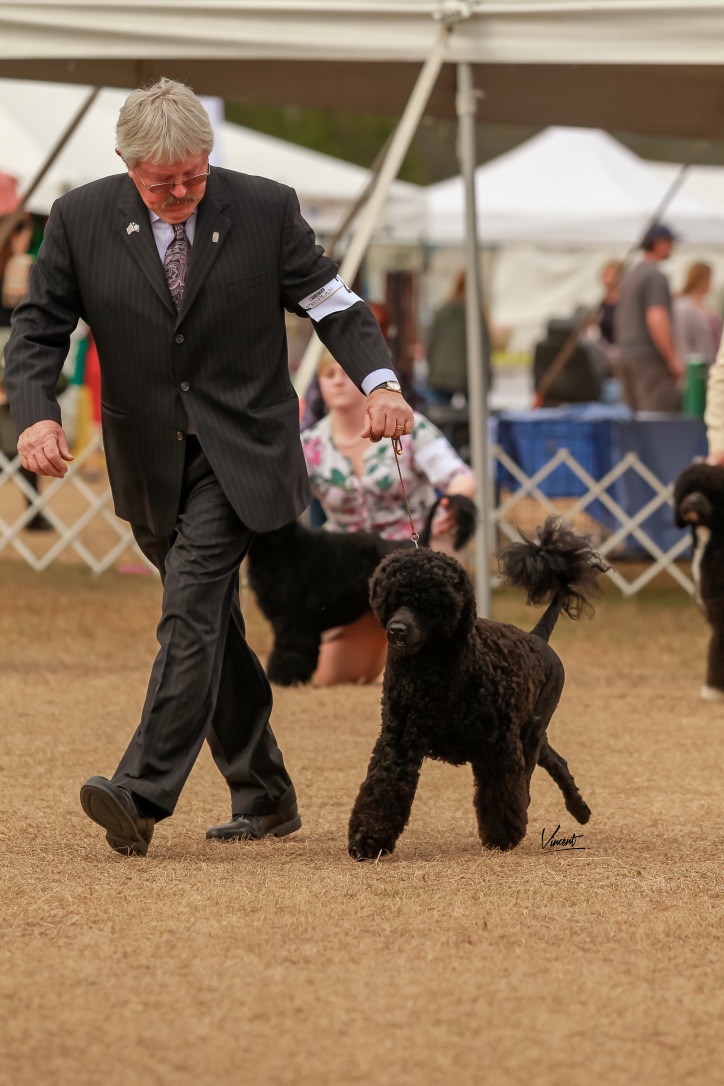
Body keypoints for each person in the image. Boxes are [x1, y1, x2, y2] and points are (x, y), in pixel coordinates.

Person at [3, 78, 414, 857]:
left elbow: (333, 302)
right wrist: (37, 414)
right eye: (164, 183)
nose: (183, 192)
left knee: (189, 608)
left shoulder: (264, 206)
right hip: (148, 458)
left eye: (195, 174)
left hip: (245, 450)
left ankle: (139, 792)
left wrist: (381, 382)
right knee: (212, 629)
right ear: (126, 164)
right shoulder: (79, 218)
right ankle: (265, 793)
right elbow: (38, 329)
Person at [300, 353, 476, 685]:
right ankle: (376, 641)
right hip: (347, 570)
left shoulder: (412, 428)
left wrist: (456, 502)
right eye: (328, 374)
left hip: (414, 554)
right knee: (327, 677)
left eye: (345, 371)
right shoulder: (309, 444)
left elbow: (460, 476)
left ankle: (422, 646)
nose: (337, 380)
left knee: (405, 676)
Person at [613, 223, 684, 412]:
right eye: (670, 243)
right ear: (658, 243)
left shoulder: (629, 276)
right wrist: (672, 358)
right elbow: (656, 316)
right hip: (649, 358)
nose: (672, 248)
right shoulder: (655, 276)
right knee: (657, 417)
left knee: (633, 419)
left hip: (626, 355)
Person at [423, 270, 492, 405]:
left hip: (441, 375)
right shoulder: (476, 314)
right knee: (473, 417)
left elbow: (430, 342)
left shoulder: (442, 311)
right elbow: (485, 347)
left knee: (440, 416)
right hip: (469, 376)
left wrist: (433, 367)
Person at [673, 261, 722, 366]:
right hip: (694, 368)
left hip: (711, 363)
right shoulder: (682, 307)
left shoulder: (707, 304)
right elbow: (682, 341)